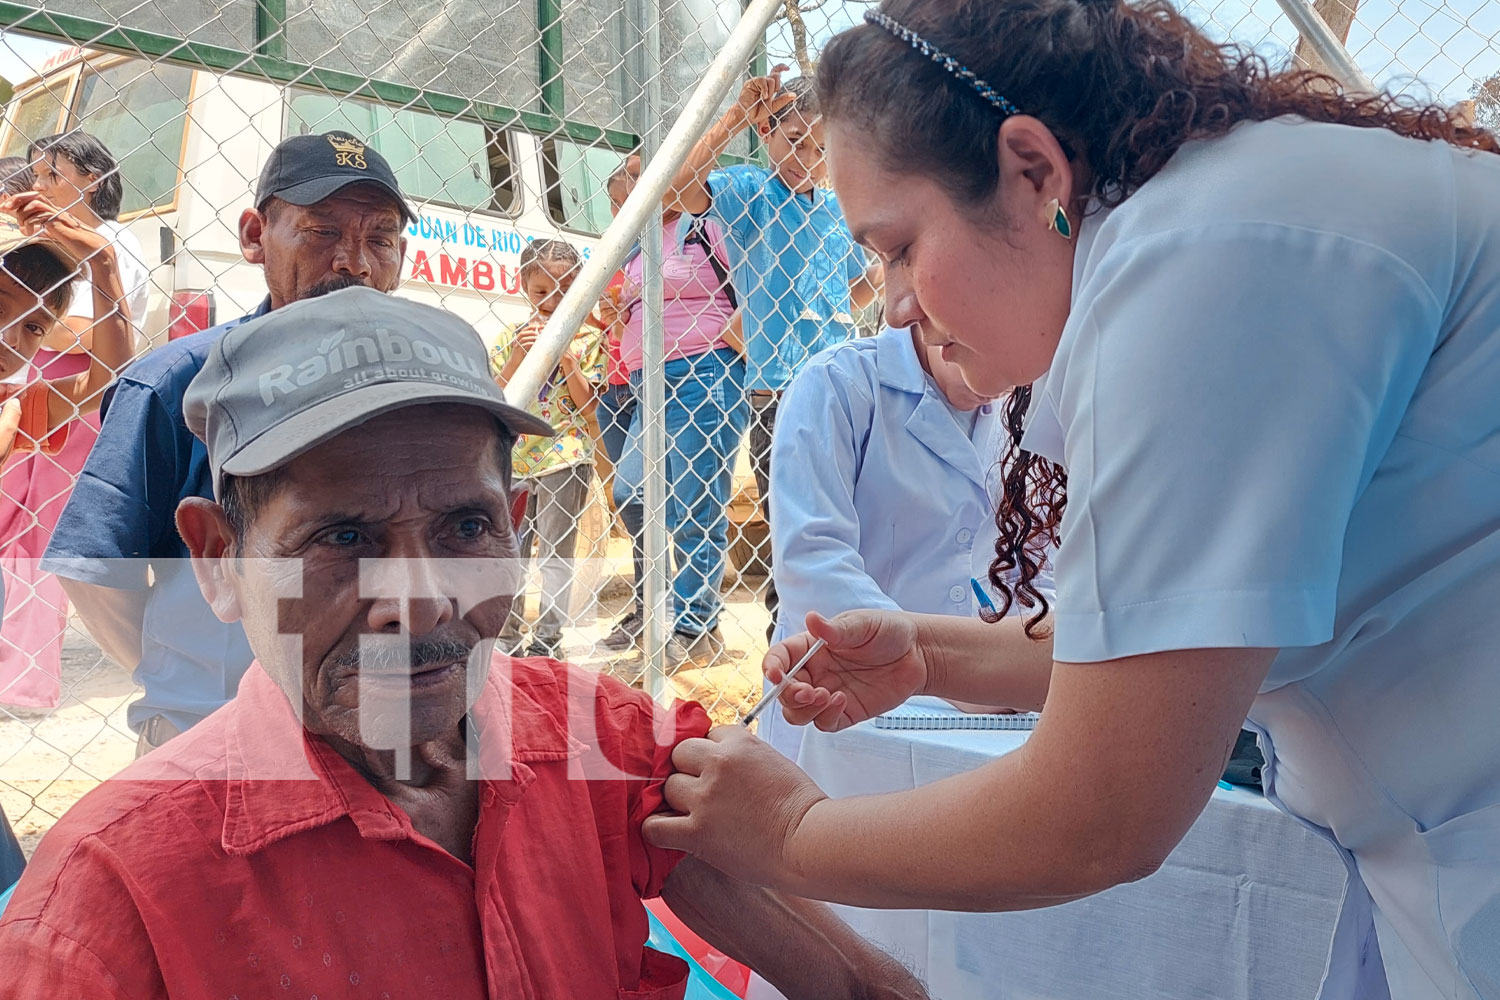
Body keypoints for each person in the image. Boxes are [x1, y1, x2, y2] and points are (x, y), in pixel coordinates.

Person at [641, 2, 1500, 997]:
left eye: (899, 245)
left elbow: (1102, 811)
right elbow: (1160, 640)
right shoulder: (1225, 219)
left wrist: (793, 834)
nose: (895, 299)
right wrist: (930, 656)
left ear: (1035, 169)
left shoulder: (1206, 261)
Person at [0, 288, 927, 1000]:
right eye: (342, 539)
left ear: (519, 526)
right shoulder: (114, 893)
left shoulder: (599, 741)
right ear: (216, 560)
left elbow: (860, 987)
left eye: (466, 530)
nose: (420, 603)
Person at [42, 131, 413, 755]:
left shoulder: (421, 393)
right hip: (212, 740)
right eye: (323, 232)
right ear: (252, 236)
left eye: (379, 239)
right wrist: (191, 675)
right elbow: (98, 572)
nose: (355, 262)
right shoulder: (176, 384)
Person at [758, 323, 1054, 757]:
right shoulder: (839, 386)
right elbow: (813, 562)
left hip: (992, 715)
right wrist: (958, 671)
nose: (1004, 386)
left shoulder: (1029, 402)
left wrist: (1012, 668)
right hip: (855, 707)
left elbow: (1041, 568)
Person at [665, 69, 882, 642]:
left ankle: (852, 626)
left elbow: (858, 285)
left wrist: (869, 283)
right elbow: (673, 188)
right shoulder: (751, 191)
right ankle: (788, 632)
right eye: (793, 140)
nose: (805, 157)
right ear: (768, 135)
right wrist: (734, 116)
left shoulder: (840, 211)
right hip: (776, 390)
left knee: (852, 518)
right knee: (790, 521)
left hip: (843, 387)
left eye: (820, 146)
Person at [0, 193, 132, 891]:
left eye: (32, 326)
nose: (11, 334)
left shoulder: (22, 407)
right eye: (0, 299)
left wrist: (106, 271)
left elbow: (107, 376)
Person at [0, 134, 151, 710]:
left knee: (34, 537)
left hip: (62, 401)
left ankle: (23, 680)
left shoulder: (24, 404)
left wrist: (100, 264)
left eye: (50, 175)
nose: (37, 188)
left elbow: (104, 356)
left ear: (89, 178)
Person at [609, 158, 750, 666]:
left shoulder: (708, 223)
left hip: (705, 373)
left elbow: (765, 277)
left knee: (696, 503)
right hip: (648, 381)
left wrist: (739, 331)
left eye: (637, 175)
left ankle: (697, 626)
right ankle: (667, 608)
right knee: (631, 491)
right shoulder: (635, 244)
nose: (629, 187)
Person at [491, 238, 605, 659]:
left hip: (566, 456)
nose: (552, 301)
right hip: (517, 461)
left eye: (564, 291)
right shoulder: (510, 336)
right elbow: (494, 395)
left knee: (558, 550)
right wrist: (520, 356)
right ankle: (504, 636)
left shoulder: (588, 338)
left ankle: (546, 640)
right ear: (524, 286)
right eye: (541, 292)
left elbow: (591, 406)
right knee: (510, 549)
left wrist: (568, 362)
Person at [594, 160, 648, 651]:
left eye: (632, 193)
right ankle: (645, 601)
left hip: (649, 382)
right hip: (611, 386)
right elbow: (594, 315)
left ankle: (660, 603)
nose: (622, 207)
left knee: (637, 495)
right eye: (616, 198)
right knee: (633, 508)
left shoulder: (663, 246)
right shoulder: (611, 253)